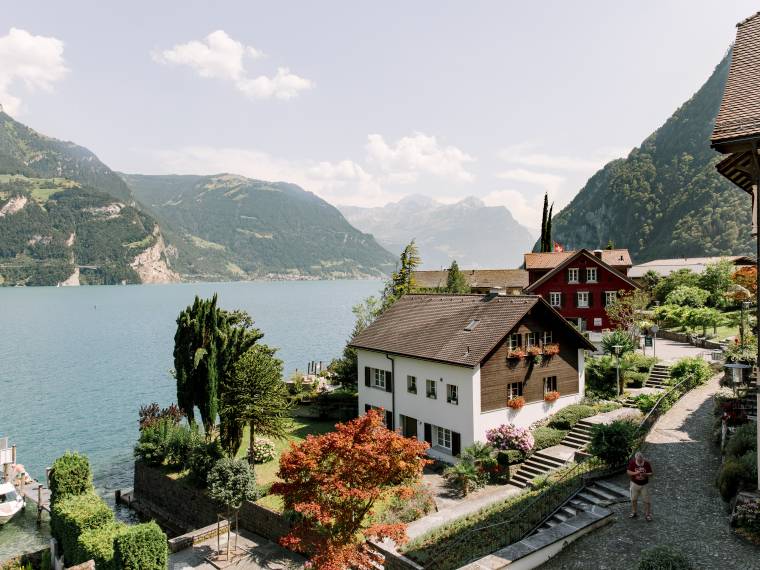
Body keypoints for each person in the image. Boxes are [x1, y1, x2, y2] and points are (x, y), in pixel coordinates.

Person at [627, 451, 653, 521]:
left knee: (646, 500)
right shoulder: (632, 462)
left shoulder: (646, 463)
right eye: (638, 460)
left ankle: (647, 515)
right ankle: (634, 512)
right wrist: (636, 473)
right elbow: (628, 472)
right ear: (636, 459)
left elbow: (651, 473)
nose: (639, 461)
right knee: (633, 499)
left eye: (640, 460)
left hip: (644, 485)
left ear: (642, 458)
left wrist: (646, 474)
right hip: (634, 484)